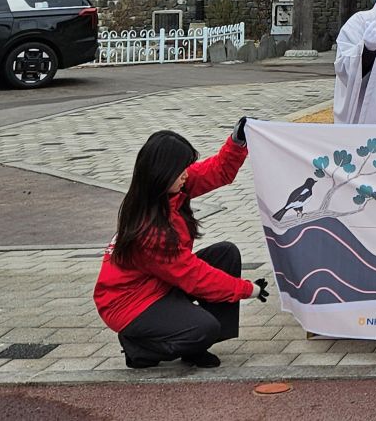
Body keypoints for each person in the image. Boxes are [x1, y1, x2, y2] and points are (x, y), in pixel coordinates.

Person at [94, 122, 270, 369]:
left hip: (158, 284)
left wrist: (237, 140)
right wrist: (246, 289)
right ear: (162, 173)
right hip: (129, 304)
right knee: (203, 328)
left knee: (225, 254)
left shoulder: (171, 189)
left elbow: (217, 171)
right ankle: (139, 347)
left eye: (186, 168)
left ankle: (196, 346)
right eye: (180, 170)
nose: (186, 174)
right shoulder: (150, 230)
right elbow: (195, 277)